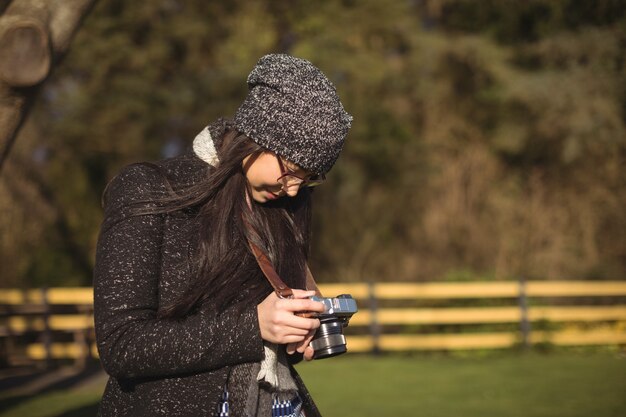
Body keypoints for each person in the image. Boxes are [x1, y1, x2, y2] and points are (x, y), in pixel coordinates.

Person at [93, 54, 353, 417]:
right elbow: (122, 346)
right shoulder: (149, 188)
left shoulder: (284, 206)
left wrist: (295, 332)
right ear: (258, 135)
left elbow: (262, 342)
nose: (294, 190)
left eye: (309, 179)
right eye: (291, 171)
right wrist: (255, 326)